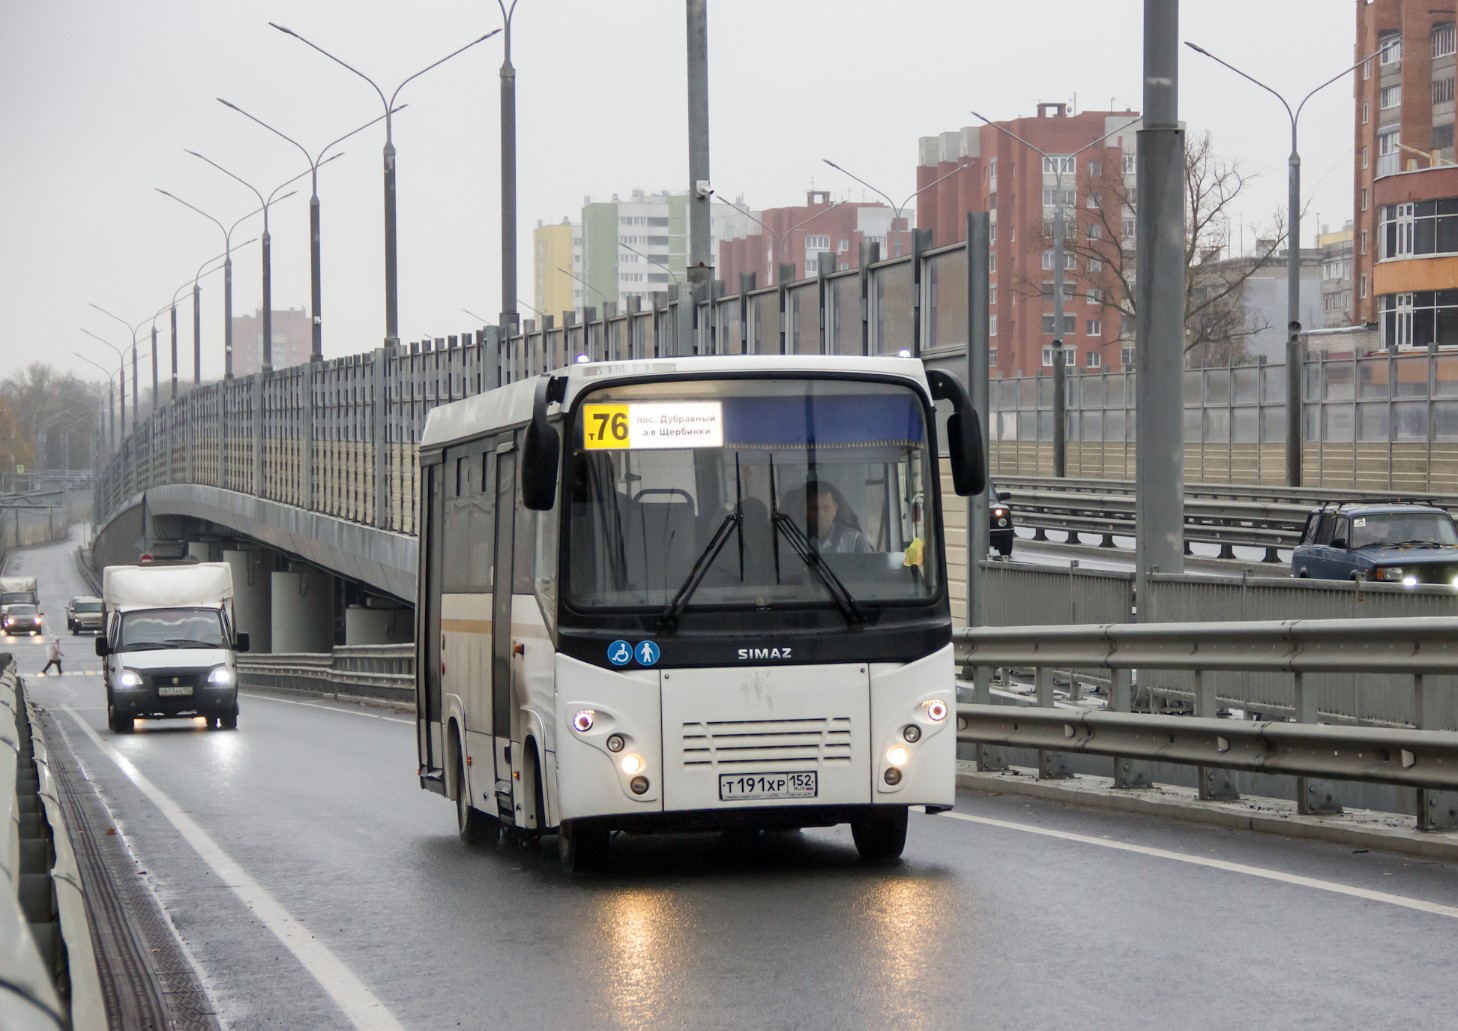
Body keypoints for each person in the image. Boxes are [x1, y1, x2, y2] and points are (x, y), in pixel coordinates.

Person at [804, 480, 873, 553]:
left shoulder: (855, 541)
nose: (820, 513)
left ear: (835, 509)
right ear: (805, 511)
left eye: (826, 508)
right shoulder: (794, 540)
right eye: (814, 508)